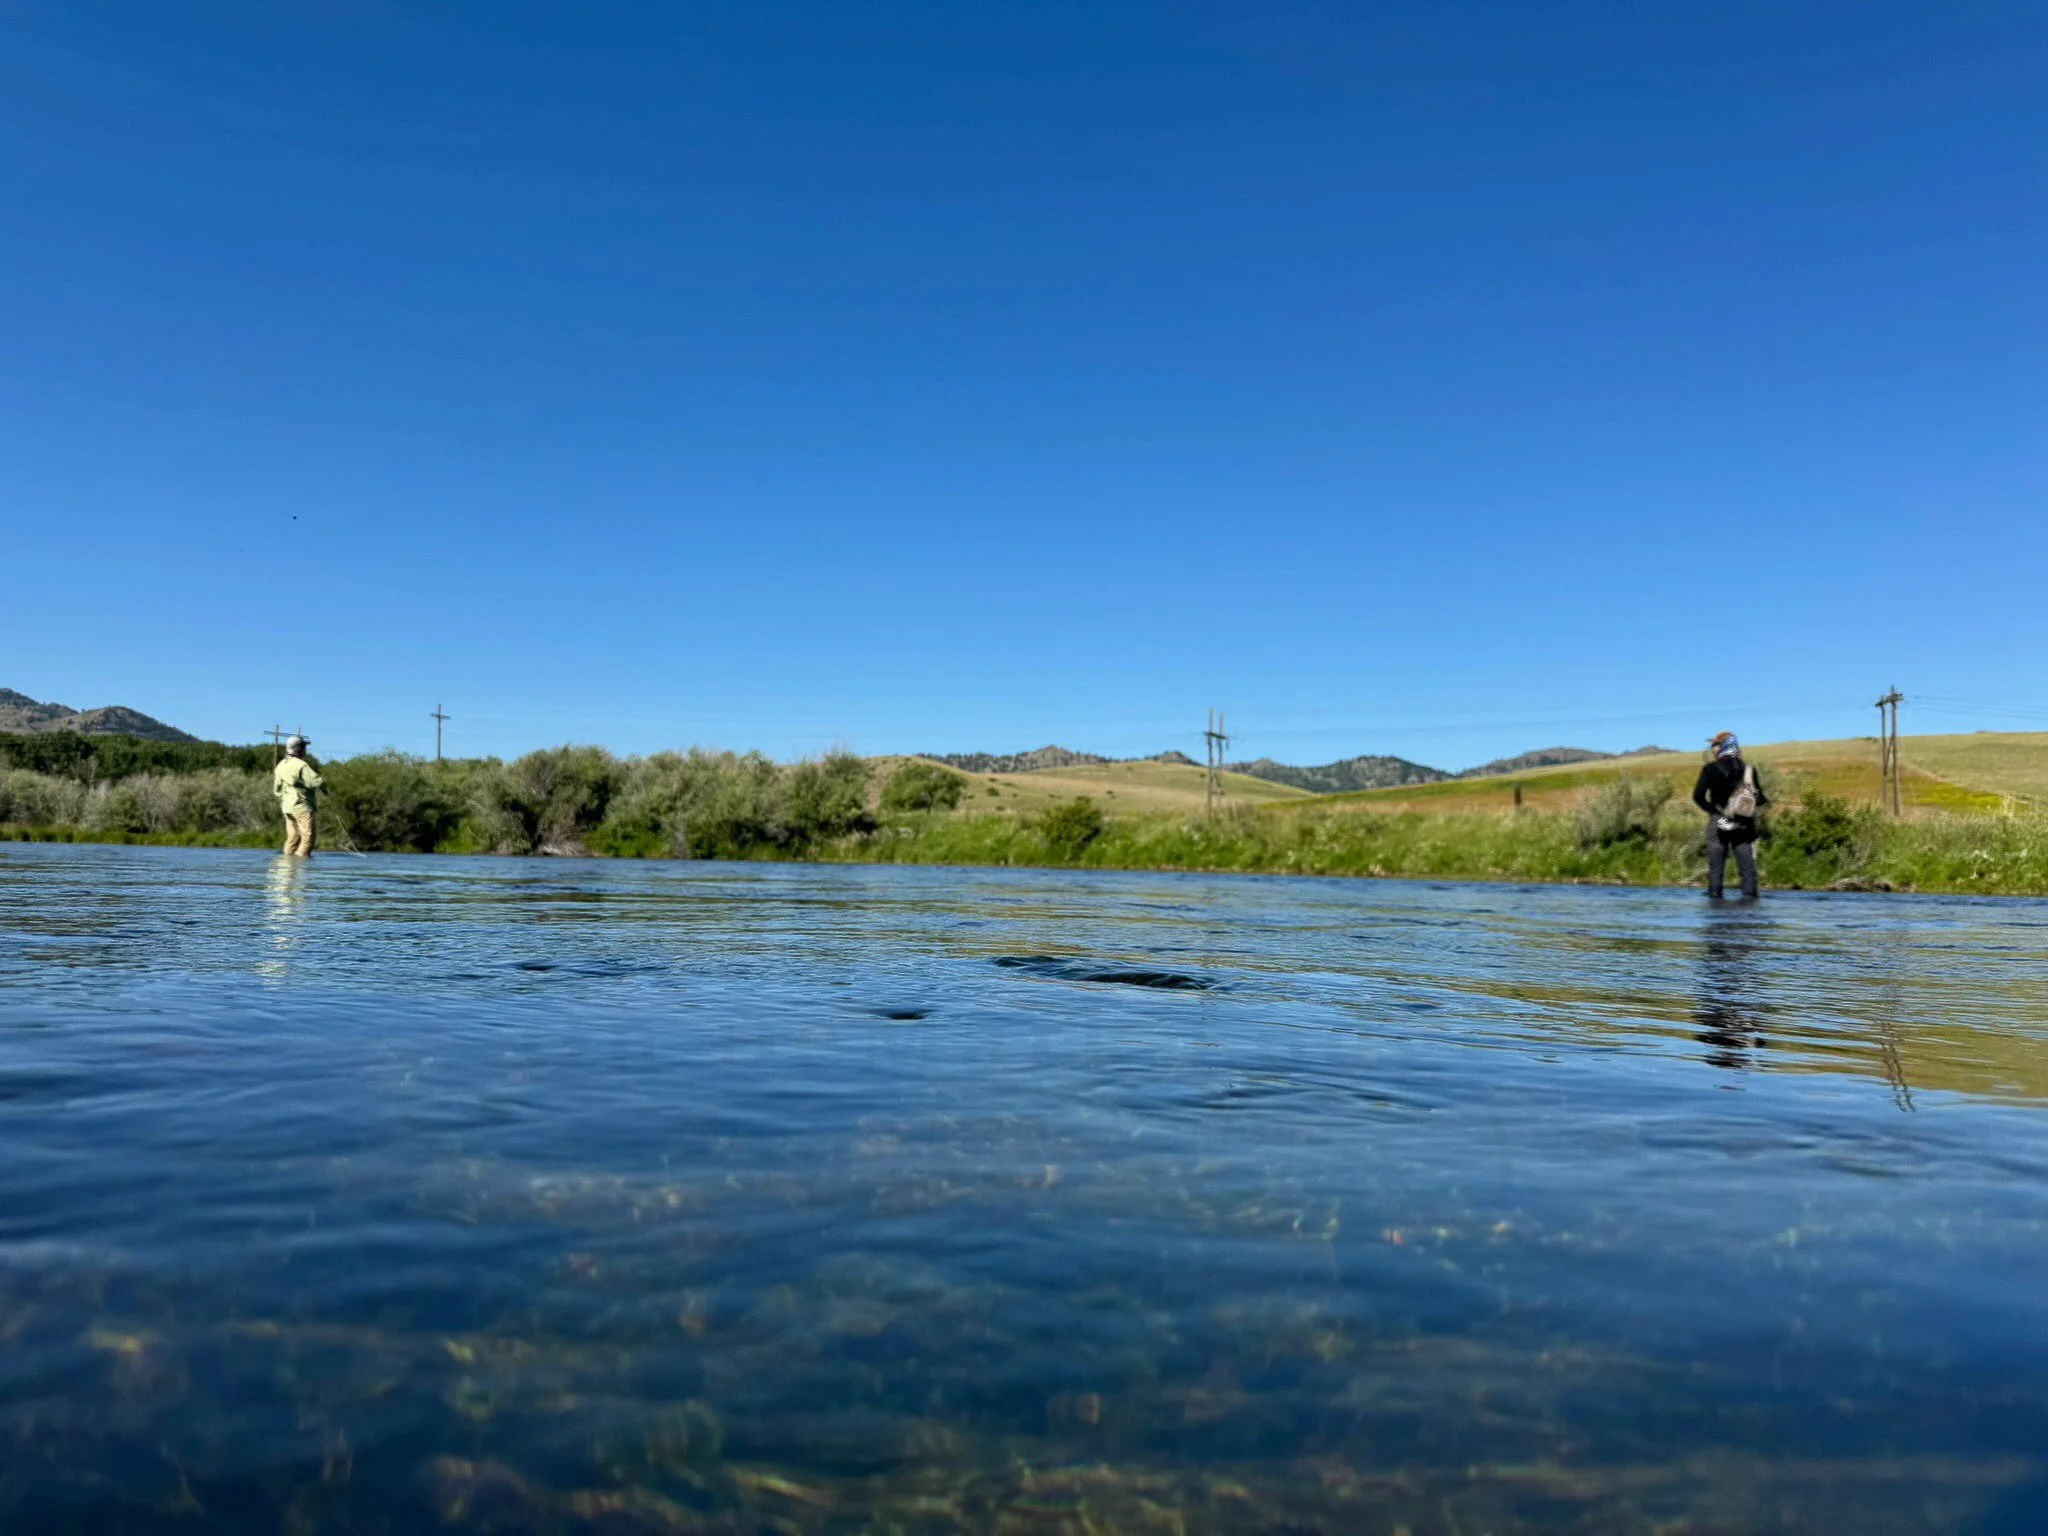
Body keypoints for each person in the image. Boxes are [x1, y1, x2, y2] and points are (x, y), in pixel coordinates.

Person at [1692, 731, 1768, 898]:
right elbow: (1759, 799)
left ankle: (1715, 906)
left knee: (1716, 872)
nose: (1713, 749)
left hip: (1718, 822)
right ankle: (1749, 909)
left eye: (1715, 745)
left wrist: (1714, 812)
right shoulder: (1749, 770)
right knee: (1747, 872)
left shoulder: (1710, 769)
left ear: (1723, 746)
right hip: (1744, 824)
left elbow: (1698, 797)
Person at [272, 735, 326, 858]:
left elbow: (276, 789)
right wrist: (327, 788)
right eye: (304, 746)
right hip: (301, 807)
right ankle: (301, 865)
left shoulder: (281, 765)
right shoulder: (301, 765)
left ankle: (287, 864)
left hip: (287, 808)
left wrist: (285, 799)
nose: (305, 749)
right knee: (308, 838)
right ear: (299, 748)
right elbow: (316, 782)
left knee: (293, 838)